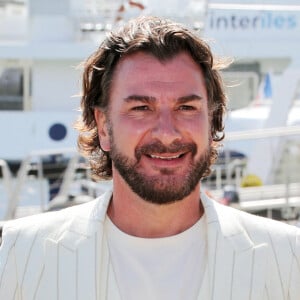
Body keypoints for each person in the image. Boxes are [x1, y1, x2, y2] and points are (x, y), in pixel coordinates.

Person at [0, 16, 299, 300]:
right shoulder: (16, 256)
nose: (167, 133)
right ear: (103, 126)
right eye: (141, 108)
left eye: (186, 108)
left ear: (212, 121)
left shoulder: (287, 259)